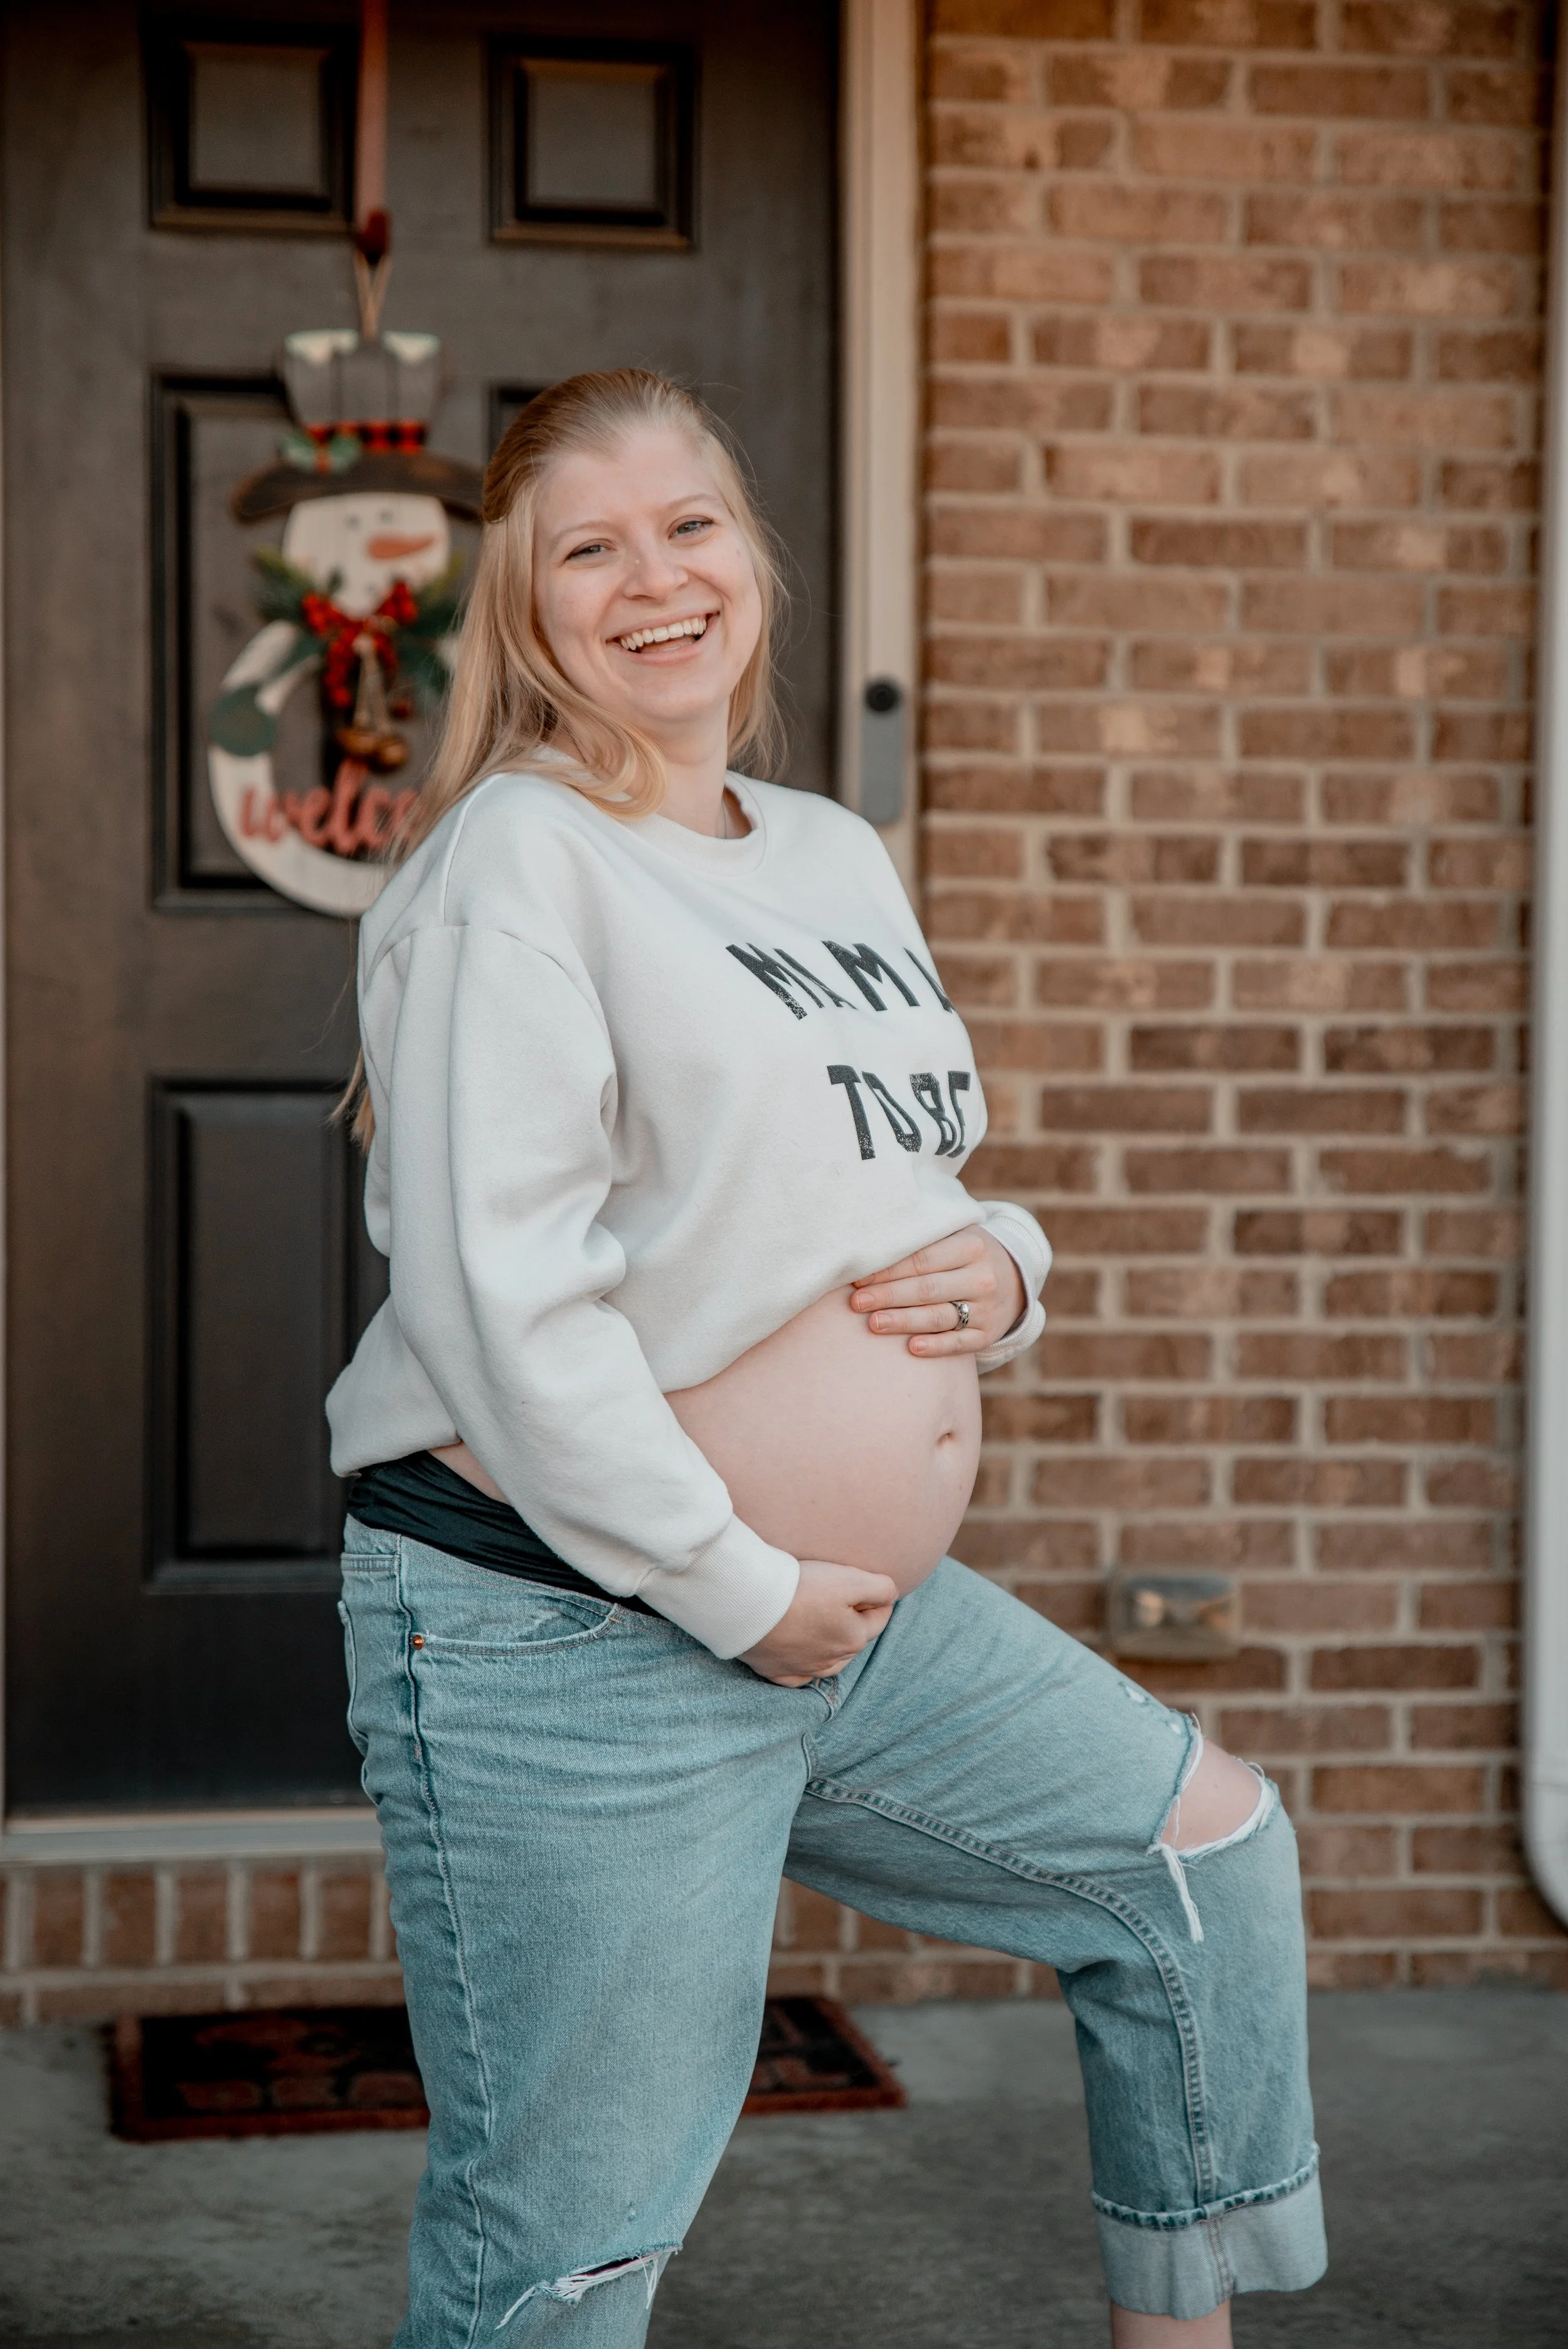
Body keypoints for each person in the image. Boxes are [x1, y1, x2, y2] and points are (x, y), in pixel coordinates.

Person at [327, 369, 1325, 2348]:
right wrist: (737, 1587)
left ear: (750, 558)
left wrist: (1008, 1273)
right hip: (580, 1631)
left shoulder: (822, 850)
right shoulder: (519, 866)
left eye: (687, 525)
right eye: (587, 549)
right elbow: (492, 1306)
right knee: (574, 2241)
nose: (654, 580)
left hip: (850, 1625)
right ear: (525, 609)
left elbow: (899, 1170)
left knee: (1200, 1865)